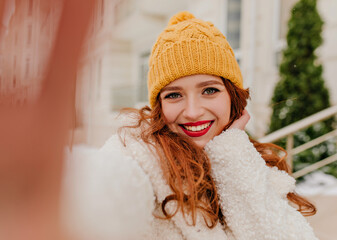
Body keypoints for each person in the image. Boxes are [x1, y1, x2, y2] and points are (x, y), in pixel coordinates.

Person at [62, 11, 318, 240]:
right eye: (174, 95)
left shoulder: (255, 165)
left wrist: (231, 153)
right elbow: (100, 194)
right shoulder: (140, 154)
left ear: (233, 96)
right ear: (159, 106)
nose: (193, 112)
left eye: (209, 90)